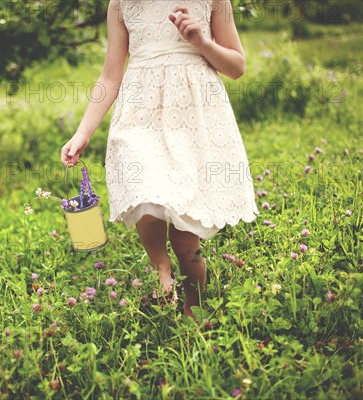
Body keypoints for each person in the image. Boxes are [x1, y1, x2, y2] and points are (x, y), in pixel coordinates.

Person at [60, 0, 259, 317]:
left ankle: (195, 307)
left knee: (184, 235)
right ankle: (159, 266)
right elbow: (111, 74)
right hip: (140, 115)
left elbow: (236, 66)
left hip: (192, 116)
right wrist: (83, 132)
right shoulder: (121, 4)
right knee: (145, 194)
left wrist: (202, 42)